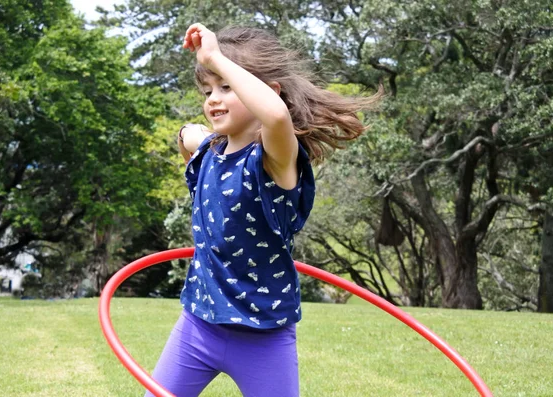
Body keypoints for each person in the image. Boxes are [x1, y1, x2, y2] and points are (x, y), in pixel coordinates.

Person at [146, 23, 381, 397]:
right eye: (208, 90)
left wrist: (215, 58)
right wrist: (186, 134)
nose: (213, 99)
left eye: (226, 86)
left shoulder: (275, 162)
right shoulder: (210, 152)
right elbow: (189, 134)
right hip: (197, 325)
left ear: (266, 92)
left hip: (263, 335)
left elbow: (274, 118)